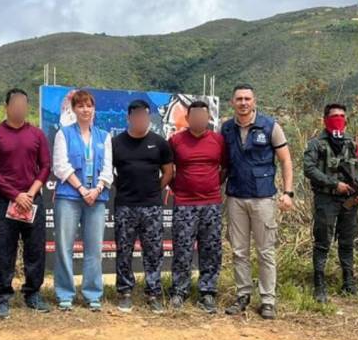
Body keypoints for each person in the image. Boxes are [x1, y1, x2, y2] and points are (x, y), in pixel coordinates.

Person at [221, 84, 293, 320]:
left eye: (247, 99)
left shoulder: (271, 127)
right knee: (239, 251)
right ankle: (242, 295)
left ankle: (268, 300)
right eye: (239, 99)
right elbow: (222, 163)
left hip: (263, 198)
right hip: (236, 197)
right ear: (232, 102)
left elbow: (285, 160)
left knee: (265, 252)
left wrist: (288, 192)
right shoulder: (227, 129)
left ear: (254, 101)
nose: (243, 102)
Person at [0, 88, 52, 319]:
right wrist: (15, 194)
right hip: (5, 201)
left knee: (35, 249)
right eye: (16, 104)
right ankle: (3, 296)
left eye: (24, 104)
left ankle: (33, 293)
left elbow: (45, 166)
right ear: (7, 107)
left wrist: (30, 193)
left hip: (33, 199)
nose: (20, 108)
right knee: (4, 250)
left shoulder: (37, 134)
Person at [52, 89, 113, 311]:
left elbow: (108, 169)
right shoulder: (63, 134)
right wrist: (81, 189)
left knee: (94, 249)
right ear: (74, 109)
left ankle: (92, 294)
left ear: (94, 109)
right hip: (69, 197)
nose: (85, 109)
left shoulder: (104, 137)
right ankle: (65, 293)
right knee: (64, 246)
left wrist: (96, 189)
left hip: (96, 198)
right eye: (80, 106)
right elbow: (60, 166)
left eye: (89, 105)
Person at [112, 99, 174, 313]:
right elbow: (108, 172)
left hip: (152, 207)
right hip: (125, 206)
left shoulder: (159, 143)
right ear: (129, 117)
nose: (141, 119)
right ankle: (125, 292)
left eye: (145, 115)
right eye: (136, 115)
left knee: (153, 251)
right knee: (124, 250)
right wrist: (122, 188)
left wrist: (155, 190)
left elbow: (168, 172)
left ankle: (154, 292)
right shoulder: (116, 143)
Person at [303, 103, 358, 303]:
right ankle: (319, 285)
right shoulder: (316, 144)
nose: (338, 119)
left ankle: (349, 282)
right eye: (334, 116)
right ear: (325, 120)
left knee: (347, 241)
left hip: (350, 199)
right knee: (323, 241)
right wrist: (334, 184)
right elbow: (309, 169)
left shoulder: (353, 143)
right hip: (326, 198)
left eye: (341, 116)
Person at [168, 100, 228, 313]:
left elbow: (224, 169)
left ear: (208, 118)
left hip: (211, 203)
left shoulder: (218, 141)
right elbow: (168, 170)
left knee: (211, 249)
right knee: (182, 249)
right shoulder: (175, 141)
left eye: (204, 116)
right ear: (188, 118)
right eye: (195, 116)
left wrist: (210, 186)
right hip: (184, 204)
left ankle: (207, 292)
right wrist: (181, 188)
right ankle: (179, 291)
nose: (199, 120)